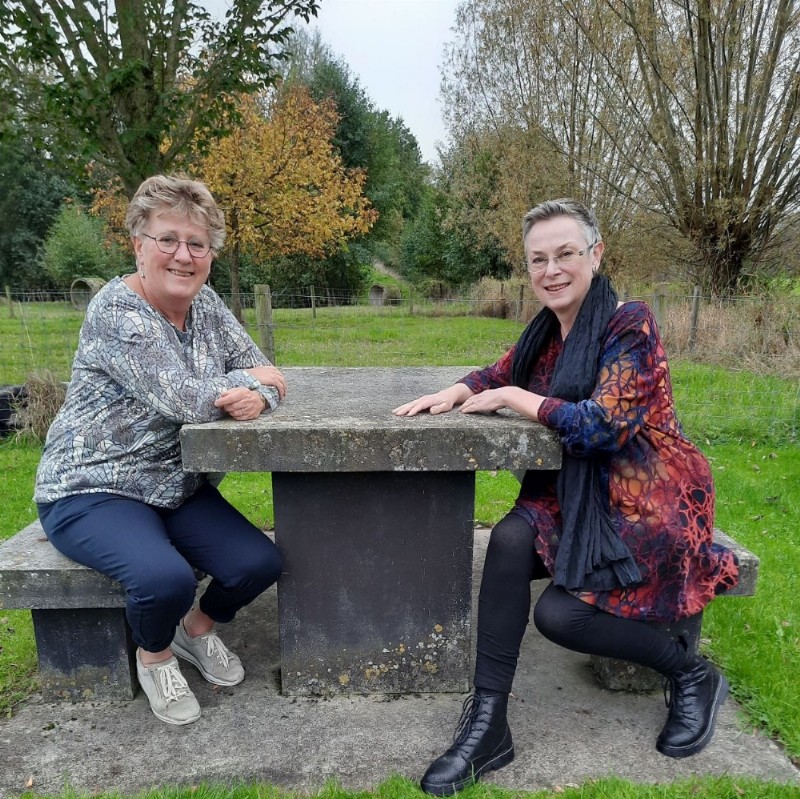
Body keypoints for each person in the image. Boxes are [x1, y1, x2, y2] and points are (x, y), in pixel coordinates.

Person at [393, 199, 740, 795]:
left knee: (560, 614)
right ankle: (488, 721)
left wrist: (514, 397)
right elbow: (501, 369)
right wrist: (454, 390)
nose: (551, 270)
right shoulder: (548, 331)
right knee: (506, 540)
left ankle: (691, 673)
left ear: (595, 255)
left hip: (649, 498)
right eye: (538, 260)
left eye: (565, 254)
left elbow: (604, 426)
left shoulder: (628, 321)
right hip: (578, 494)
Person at [34, 175, 287, 726]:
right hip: (91, 489)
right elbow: (187, 399)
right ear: (138, 245)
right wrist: (250, 384)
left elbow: (265, 367)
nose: (183, 255)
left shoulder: (206, 302)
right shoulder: (117, 313)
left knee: (258, 563)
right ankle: (154, 656)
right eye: (167, 239)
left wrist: (262, 392)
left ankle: (195, 630)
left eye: (198, 244)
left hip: (173, 484)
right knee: (163, 579)